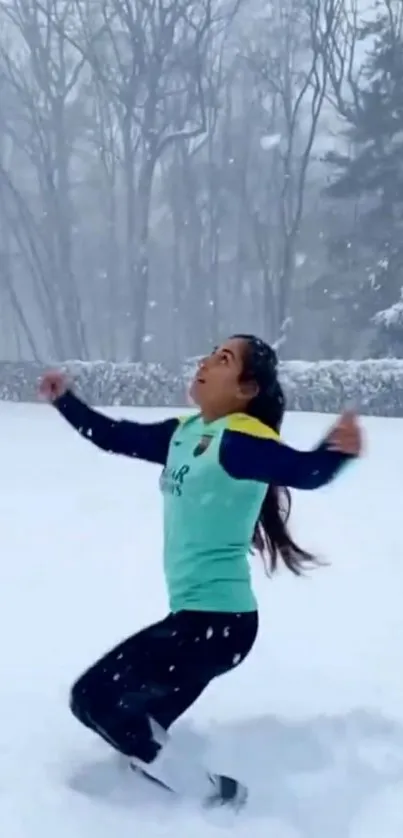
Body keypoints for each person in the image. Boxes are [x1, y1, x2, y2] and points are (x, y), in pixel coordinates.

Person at [39, 335, 362, 808]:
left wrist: (338, 451)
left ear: (246, 389)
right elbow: (115, 435)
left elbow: (305, 471)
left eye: (223, 359)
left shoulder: (239, 442)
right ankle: (160, 776)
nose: (205, 363)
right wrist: (63, 400)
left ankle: (213, 796)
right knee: (134, 722)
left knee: (94, 699)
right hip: (198, 622)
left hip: (218, 625)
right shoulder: (186, 434)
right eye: (210, 353)